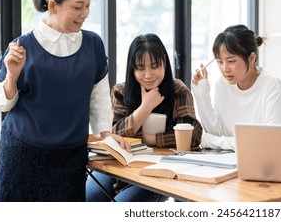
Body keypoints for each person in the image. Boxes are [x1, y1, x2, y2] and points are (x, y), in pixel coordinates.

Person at [0, 0, 127, 202]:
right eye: (77, 7)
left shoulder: (93, 44)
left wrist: (106, 134)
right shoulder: (22, 46)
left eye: (87, 6)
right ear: (53, 6)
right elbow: (3, 104)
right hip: (24, 156)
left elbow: (99, 97)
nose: (84, 13)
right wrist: (12, 76)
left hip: (70, 159)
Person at [86, 33, 203, 202]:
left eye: (154, 66)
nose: (148, 75)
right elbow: (112, 135)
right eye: (140, 68)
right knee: (88, 199)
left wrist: (151, 138)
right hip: (118, 164)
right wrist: (145, 107)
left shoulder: (178, 90)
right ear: (132, 68)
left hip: (159, 170)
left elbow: (194, 136)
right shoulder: (120, 92)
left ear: (164, 62)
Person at [192, 24, 281, 150]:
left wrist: (210, 141)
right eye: (220, 62)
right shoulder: (222, 84)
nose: (225, 69)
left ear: (252, 58)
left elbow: (272, 142)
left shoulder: (271, 85)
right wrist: (201, 94)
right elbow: (216, 133)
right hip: (226, 164)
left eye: (231, 61)